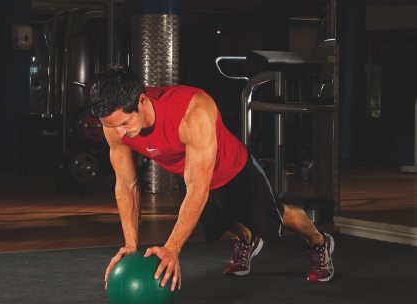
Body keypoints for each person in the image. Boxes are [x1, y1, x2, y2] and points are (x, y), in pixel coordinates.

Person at [90, 67, 335, 292]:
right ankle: (248, 240)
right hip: (193, 176)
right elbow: (127, 184)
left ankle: (319, 242)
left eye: (124, 123)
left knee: (278, 218)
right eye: (113, 126)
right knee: (221, 221)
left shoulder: (192, 111)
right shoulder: (113, 125)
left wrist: (171, 250)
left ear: (141, 101)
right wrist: (130, 245)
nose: (120, 133)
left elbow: (198, 189)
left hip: (235, 170)